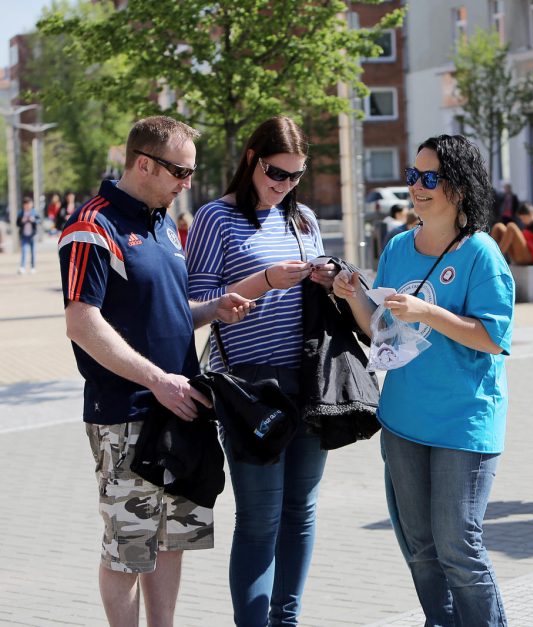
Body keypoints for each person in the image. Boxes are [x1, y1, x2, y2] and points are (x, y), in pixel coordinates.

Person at [58, 115, 253, 627]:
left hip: (182, 408)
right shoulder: (91, 227)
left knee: (172, 539)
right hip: (126, 414)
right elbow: (81, 322)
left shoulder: (163, 223)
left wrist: (212, 310)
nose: (187, 183)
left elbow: (163, 311)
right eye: (180, 172)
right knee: (129, 547)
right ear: (144, 163)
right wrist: (157, 381)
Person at [333, 134, 514, 625]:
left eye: (429, 177)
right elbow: (382, 329)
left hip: (463, 423)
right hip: (403, 421)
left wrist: (427, 312)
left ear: (458, 186)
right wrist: (353, 295)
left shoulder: (481, 254)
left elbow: (493, 338)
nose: (417, 186)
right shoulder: (396, 247)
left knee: (459, 546)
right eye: (413, 176)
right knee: (421, 549)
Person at [185, 115, 337, 626]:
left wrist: (331, 279)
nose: (283, 185)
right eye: (275, 173)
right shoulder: (214, 218)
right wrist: (266, 280)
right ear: (251, 159)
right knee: (259, 519)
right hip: (250, 386)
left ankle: (286, 621)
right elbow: (194, 305)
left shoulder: (304, 220)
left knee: (300, 513)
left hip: (308, 381)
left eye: (294, 176)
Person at [17, 197, 40, 274]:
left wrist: (33, 220)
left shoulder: (34, 212)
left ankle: (33, 267)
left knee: (33, 252)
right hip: (24, 235)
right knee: (24, 251)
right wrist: (22, 221)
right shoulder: (21, 213)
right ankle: (22, 267)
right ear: (23, 205)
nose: (27, 206)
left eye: (29, 204)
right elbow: (17, 223)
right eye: (26, 204)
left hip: (32, 235)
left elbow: (39, 221)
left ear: (31, 204)